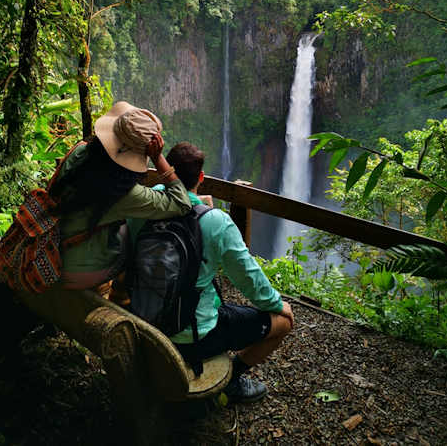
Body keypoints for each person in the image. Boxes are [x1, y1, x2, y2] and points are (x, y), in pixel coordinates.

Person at [129, 141, 294, 404]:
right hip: (195, 336)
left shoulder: (144, 205)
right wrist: (277, 304)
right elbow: (249, 279)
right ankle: (232, 381)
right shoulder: (216, 222)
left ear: (165, 171)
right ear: (201, 177)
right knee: (283, 322)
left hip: (146, 319)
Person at [50, 101, 191, 290]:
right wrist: (158, 158)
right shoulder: (124, 192)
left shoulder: (80, 152)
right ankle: (123, 297)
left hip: (50, 250)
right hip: (75, 272)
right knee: (133, 239)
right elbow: (181, 203)